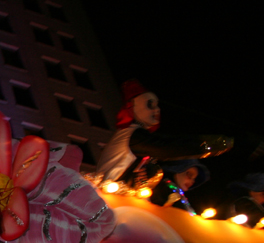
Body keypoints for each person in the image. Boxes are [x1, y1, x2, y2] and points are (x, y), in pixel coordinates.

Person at [95, 80, 232, 189]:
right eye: (150, 105)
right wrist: (207, 144)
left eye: (157, 105)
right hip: (108, 197)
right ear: (132, 107)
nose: (156, 110)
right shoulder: (133, 135)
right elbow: (167, 146)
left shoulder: (138, 137)